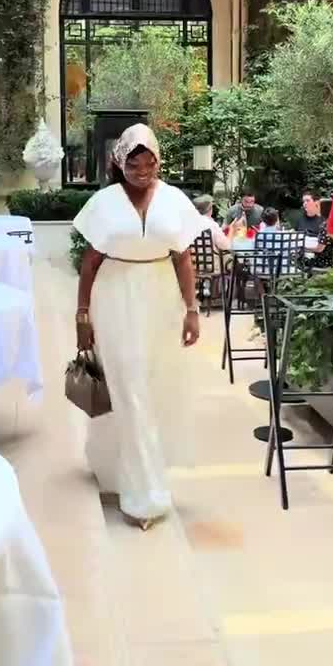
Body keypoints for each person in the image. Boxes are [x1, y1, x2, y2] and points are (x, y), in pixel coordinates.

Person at [73, 124, 206, 531]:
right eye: (134, 164)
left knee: (151, 388)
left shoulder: (175, 200)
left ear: (158, 161)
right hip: (115, 298)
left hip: (161, 300)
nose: (143, 171)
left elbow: (184, 258)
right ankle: (145, 495)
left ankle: (115, 463)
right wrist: (82, 315)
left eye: (150, 163)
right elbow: (89, 264)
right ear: (119, 163)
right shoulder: (104, 203)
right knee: (129, 388)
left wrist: (191, 309)